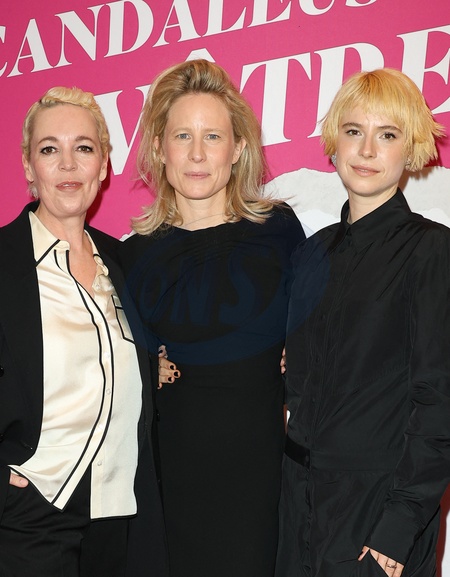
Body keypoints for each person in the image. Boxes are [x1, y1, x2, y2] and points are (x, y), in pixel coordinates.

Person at [119, 58, 305, 577]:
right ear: (160, 149)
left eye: (213, 136)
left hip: (258, 488)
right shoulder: (131, 257)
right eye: (182, 136)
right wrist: (140, 367)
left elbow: (323, 331)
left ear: (238, 148)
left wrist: (302, 349)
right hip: (164, 492)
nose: (197, 154)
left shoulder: (279, 232)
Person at [276, 68, 450, 577]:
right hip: (296, 505)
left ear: (410, 148)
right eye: (354, 131)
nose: (367, 149)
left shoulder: (432, 251)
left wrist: (400, 525)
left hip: (378, 512)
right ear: (335, 141)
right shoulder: (310, 254)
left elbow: (440, 402)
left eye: (387, 134)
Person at [0, 87, 166, 577]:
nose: (68, 164)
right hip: (28, 512)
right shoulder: (4, 262)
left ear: (105, 164)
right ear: (28, 166)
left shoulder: (125, 261)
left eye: (84, 148)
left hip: (117, 512)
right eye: (50, 149)